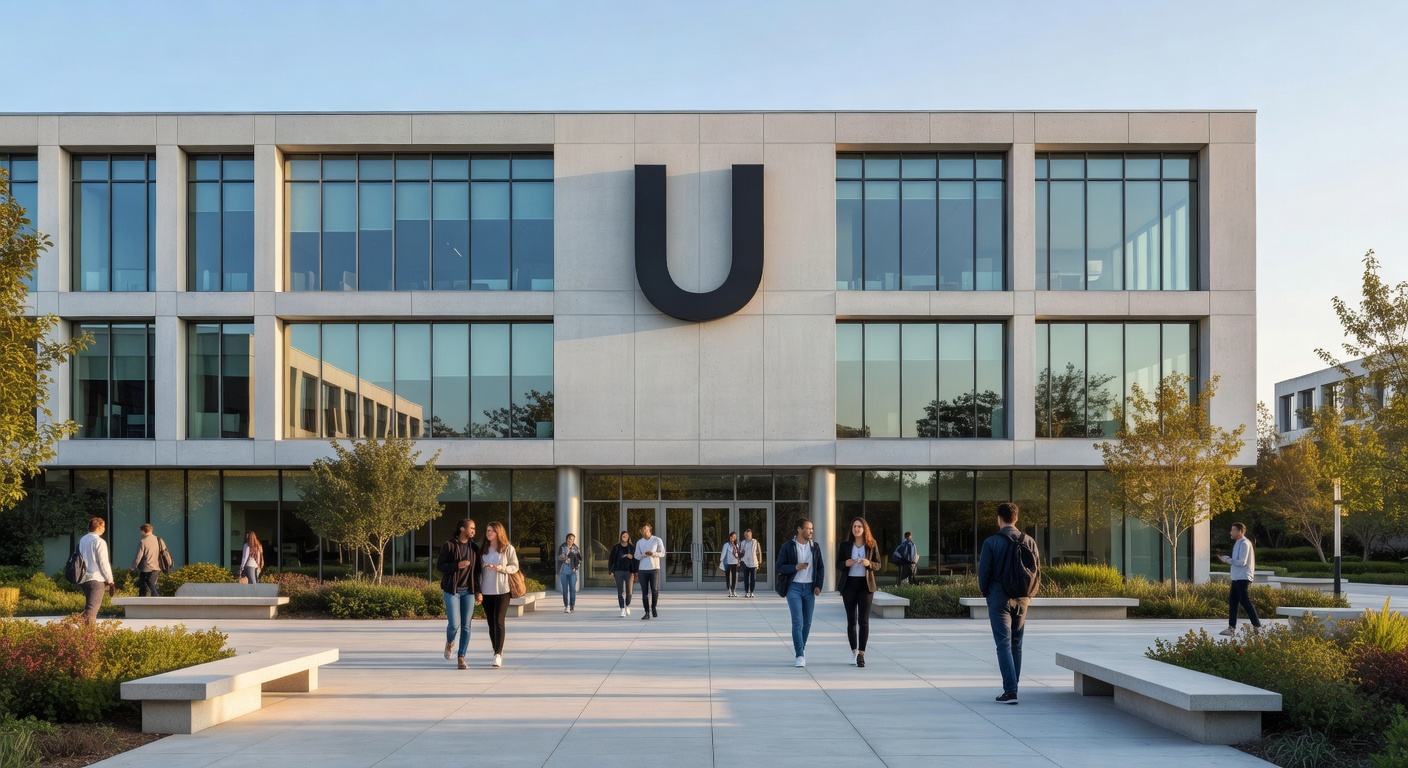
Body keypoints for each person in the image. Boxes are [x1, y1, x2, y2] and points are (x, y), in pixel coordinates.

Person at [978, 502, 1040, 704]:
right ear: (1016, 518)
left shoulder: (991, 542)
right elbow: (1037, 571)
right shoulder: (1029, 541)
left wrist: (986, 592)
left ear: (999, 518)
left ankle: (1010, 690)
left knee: (1003, 643)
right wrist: (1030, 595)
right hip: (1023, 597)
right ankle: (1014, 687)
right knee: (1017, 643)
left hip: (999, 596)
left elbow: (984, 572)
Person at [776, 519, 824, 667]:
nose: (811, 531)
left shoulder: (814, 547)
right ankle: (800, 655)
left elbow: (820, 568)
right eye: (808, 528)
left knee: (807, 623)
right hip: (794, 588)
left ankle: (801, 647)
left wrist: (818, 586)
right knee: (798, 622)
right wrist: (795, 567)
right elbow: (780, 567)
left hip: (810, 588)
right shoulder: (788, 546)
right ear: (799, 529)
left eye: (812, 529)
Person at [436, 518, 481, 670]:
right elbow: (440, 566)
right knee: (454, 625)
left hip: (468, 591)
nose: (473, 531)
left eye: (474, 528)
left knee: (466, 626)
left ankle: (461, 657)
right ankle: (450, 643)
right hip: (452, 591)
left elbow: (477, 572)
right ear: (462, 529)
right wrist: (457, 566)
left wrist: (478, 591)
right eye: (471, 528)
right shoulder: (449, 545)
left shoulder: (474, 548)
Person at [838, 517, 881, 668]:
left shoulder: (871, 545)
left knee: (864, 621)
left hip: (865, 586)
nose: (857, 529)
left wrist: (869, 563)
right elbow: (839, 564)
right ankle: (853, 652)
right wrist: (846, 563)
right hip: (849, 585)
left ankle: (861, 654)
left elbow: (878, 564)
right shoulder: (844, 545)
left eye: (859, 527)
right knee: (851, 620)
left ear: (864, 529)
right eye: (854, 526)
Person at [479, 521, 520, 668]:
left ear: (498, 532)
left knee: (499, 621)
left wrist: (500, 568)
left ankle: (498, 654)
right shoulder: (483, 549)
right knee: (490, 623)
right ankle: (495, 650)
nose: (488, 533)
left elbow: (515, 566)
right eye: (487, 530)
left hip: (503, 590)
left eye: (491, 531)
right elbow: (478, 571)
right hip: (486, 591)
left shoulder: (508, 549)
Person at [1219, 522, 1261, 636]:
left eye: (1233, 530)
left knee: (1244, 600)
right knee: (1233, 601)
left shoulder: (1245, 544)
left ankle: (1257, 626)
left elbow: (1242, 562)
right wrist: (1228, 559)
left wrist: (1228, 560)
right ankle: (1231, 628)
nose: (1231, 532)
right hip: (1236, 577)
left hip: (1243, 576)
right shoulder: (1238, 543)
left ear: (1240, 531)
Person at [78, 516, 114, 625]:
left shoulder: (82, 540)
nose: (104, 529)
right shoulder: (99, 541)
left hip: (84, 578)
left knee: (89, 607)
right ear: (98, 527)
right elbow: (103, 562)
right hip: (96, 578)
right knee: (92, 610)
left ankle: (80, 629)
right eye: (103, 526)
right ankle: (89, 636)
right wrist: (110, 579)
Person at [634, 522, 664, 620]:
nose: (645, 531)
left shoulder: (657, 540)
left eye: (646, 529)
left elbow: (663, 553)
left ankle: (653, 607)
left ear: (650, 529)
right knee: (644, 592)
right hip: (642, 569)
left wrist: (653, 553)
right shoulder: (639, 542)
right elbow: (636, 556)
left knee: (654, 590)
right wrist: (643, 554)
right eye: (643, 530)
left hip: (654, 568)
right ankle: (647, 612)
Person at [608, 530, 636, 617]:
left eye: (626, 536)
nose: (625, 538)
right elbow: (612, 559)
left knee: (629, 592)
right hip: (618, 571)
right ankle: (622, 608)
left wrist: (635, 571)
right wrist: (611, 571)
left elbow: (635, 560)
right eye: (623, 536)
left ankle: (627, 605)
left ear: (628, 538)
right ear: (621, 537)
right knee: (620, 591)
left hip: (629, 571)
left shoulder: (631, 547)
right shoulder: (616, 547)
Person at [131, 523, 162, 597]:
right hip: (156, 566)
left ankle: (145, 600)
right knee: (153, 585)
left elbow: (139, 556)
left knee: (144, 585)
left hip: (145, 567)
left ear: (143, 531)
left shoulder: (143, 541)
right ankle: (155, 600)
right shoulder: (159, 540)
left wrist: (133, 567)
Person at [558, 533, 582, 613]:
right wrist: (568, 556)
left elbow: (580, 559)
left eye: (572, 539)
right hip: (563, 571)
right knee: (565, 590)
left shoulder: (576, 548)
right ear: (566, 539)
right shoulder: (562, 547)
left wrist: (576, 567)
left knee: (572, 589)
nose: (570, 541)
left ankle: (572, 605)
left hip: (573, 571)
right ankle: (566, 605)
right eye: (569, 539)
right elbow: (560, 557)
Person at [739, 529, 761, 598]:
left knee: (753, 579)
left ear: (751, 534)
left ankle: (752, 592)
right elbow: (740, 552)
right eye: (746, 534)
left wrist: (759, 561)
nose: (747, 535)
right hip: (745, 563)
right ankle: (746, 592)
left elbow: (759, 552)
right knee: (746, 578)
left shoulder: (755, 542)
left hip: (753, 563)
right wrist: (739, 560)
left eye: (748, 534)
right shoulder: (743, 543)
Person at [721, 531, 742, 597]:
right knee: (728, 576)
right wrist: (721, 560)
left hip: (734, 562)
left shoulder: (736, 545)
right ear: (730, 537)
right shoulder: (726, 545)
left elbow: (738, 553)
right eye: (733, 537)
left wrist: (739, 560)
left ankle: (734, 590)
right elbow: (723, 553)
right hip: (727, 562)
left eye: (735, 537)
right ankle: (729, 589)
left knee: (734, 577)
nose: (734, 538)